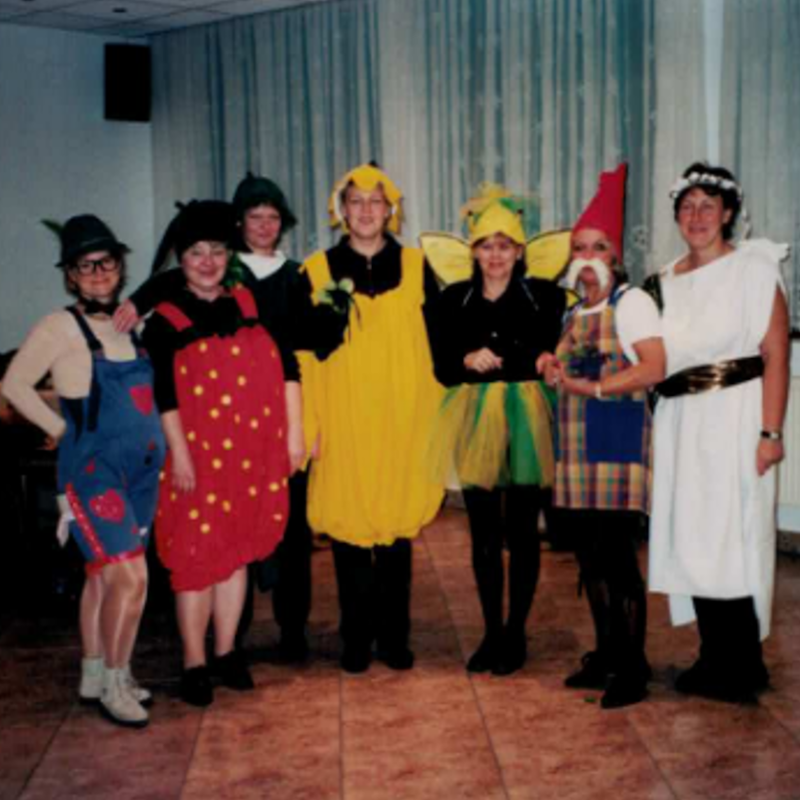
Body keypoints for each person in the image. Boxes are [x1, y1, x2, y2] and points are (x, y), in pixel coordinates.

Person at [115, 174, 343, 663]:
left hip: (257, 436)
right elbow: (164, 385)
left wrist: (296, 429)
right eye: (255, 217)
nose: (208, 261)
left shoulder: (271, 288)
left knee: (260, 543)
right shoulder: (188, 301)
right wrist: (139, 299)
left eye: (273, 217)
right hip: (199, 447)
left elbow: (290, 356)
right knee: (205, 551)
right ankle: (209, 653)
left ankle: (257, 642)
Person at [2, 215, 165, 728]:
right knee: (131, 578)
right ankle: (117, 681)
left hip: (141, 475)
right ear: (71, 275)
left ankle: (94, 674)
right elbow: (13, 385)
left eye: (106, 262)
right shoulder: (59, 326)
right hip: (93, 472)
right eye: (86, 266)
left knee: (101, 576)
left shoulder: (132, 323)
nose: (98, 273)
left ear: (120, 266)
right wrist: (60, 428)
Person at [645, 163, 790, 703]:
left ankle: (742, 661)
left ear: (728, 213)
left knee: (733, 537)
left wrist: (770, 432)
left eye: (708, 206)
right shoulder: (665, 280)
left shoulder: (754, 269)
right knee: (694, 537)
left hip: (736, 417)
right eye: (687, 207)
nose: (697, 216)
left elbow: (776, 354)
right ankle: (714, 655)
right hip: (683, 422)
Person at [141, 200, 293, 706]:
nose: (207, 262)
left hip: (246, 456)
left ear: (229, 256)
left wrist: (284, 439)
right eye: (195, 253)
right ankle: (194, 661)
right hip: (194, 458)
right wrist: (180, 455)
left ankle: (227, 652)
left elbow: (279, 369)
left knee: (234, 557)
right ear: (180, 260)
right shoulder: (164, 321)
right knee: (194, 559)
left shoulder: (247, 303)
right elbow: (164, 395)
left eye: (216, 251)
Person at [298, 163, 444, 673]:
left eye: (375, 201)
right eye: (355, 201)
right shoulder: (316, 270)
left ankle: (394, 637)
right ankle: (356, 638)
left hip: (403, 417)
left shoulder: (417, 266)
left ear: (390, 210)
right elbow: (303, 355)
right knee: (349, 531)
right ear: (342, 210)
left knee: (397, 534)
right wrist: (309, 425)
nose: (365, 210)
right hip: (344, 418)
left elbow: (439, 342)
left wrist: (438, 418)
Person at [423, 188, 567, 676]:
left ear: (520, 250)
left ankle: (516, 631)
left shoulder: (544, 295)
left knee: (523, 531)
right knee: (483, 532)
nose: (496, 255)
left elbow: (548, 349)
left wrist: (519, 357)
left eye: (505, 245)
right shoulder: (451, 300)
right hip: (474, 415)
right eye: (486, 245)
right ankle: (491, 632)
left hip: (527, 418)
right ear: (473, 251)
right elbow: (442, 366)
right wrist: (466, 358)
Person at [537, 164, 665, 708]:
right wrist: (549, 361)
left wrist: (593, 388)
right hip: (575, 446)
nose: (587, 257)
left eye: (598, 247)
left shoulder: (632, 303)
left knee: (616, 559)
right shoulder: (573, 310)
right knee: (588, 558)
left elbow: (654, 367)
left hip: (614, 439)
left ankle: (632, 669)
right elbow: (563, 362)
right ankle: (608, 653)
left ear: (614, 255)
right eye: (579, 247)